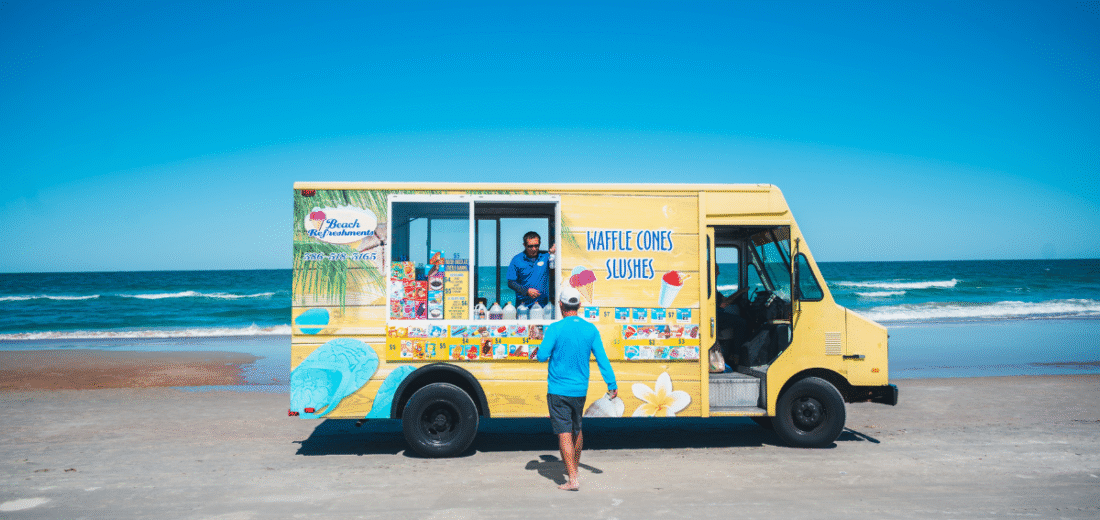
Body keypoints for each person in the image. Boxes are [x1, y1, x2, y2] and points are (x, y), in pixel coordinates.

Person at [536, 285, 617, 491]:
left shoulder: (555, 329)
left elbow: (542, 356)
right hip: (580, 390)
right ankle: (574, 468)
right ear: (579, 305)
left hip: (558, 390)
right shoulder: (591, 329)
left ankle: (572, 479)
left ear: (560, 305)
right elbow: (602, 359)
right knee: (577, 429)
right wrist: (612, 384)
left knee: (564, 433)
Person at [507, 231, 555, 308]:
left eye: (536, 246)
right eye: (530, 246)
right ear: (524, 245)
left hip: (543, 306)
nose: (534, 249)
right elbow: (511, 282)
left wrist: (554, 252)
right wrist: (526, 291)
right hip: (523, 307)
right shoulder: (517, 260)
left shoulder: (546, 256)